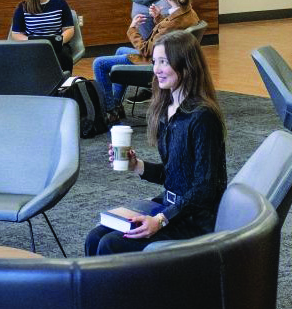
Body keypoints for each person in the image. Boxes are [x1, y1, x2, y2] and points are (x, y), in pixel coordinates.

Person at [85, 30, 227, 256]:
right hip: (170, 206)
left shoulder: (203, 117)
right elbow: (175, 173)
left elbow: (204, 188)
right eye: (155, 62)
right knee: (95, 237)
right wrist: (137, 165)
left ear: (186, 65)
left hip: (194, 218)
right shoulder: (166, 109)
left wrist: (161, 220)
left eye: (164, 62)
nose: (156, 69)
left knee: (110, 245)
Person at [93, 0, 200, 123]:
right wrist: (158, 17)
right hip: (170, 58)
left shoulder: (172, 24)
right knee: (119, 51)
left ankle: (110, 109)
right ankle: (116, 105)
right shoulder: (189, 13)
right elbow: (168, 29)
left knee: (98, 64)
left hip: (154, 62)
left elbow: (146, 50)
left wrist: (132, 28)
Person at [10, 0, 75, 72]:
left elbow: (69, 29)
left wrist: (60, 41)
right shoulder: (22, 7)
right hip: (33, 46)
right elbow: (16, 34)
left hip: (56, 46)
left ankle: (63, 84)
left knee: (64, 55)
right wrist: (30, 42)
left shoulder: (60, 3)